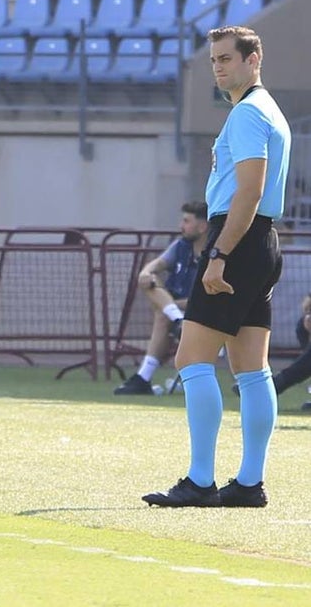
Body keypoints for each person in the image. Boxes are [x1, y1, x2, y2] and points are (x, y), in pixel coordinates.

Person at [143, 25, 290, 509]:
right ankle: (249, 483)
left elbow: (248, 190)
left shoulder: (249, 112)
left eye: (227, 58)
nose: (219, 67)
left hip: (239, 240)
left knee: (191, 360)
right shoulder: (268, 111)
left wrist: (220, 253)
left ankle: (201, 481)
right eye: (213, 60)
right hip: (262, 240)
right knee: (251, 370)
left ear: (254, 60)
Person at [114, 201, 208, 396]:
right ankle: (176, 319)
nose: (180, 226)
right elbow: (153, 267)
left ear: (203, 226)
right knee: (148, 280)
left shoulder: (215, 254)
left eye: (186, 221)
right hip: (178, 309)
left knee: (163, 313)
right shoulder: (181, 246)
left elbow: (211, 299)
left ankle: (143, 378)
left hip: (205, 311)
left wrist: (171, 306)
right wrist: (146, 273)